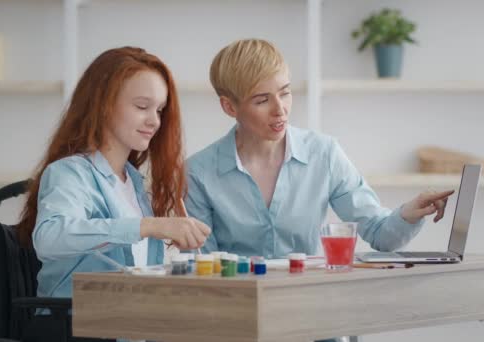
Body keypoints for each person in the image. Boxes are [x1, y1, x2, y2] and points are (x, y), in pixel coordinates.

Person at [185, 38, 453, 260]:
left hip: (308, 303)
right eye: (262, 100)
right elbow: (203, 265)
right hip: (235, 310)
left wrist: (409, 213)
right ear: (229, 107)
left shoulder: (323, 153)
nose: (280, 109)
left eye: (285, 92)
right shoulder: (198, 172)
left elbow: (379, 233)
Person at [17, 47, 211, 300]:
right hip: (79, 330)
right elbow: (50, 237)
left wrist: (180, 253)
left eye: (160, 110)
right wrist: (151, 226)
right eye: (143, 106)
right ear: (103, 105)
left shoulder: (136, 185)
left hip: (131, 325)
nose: (155, 121)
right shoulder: (69, 173)